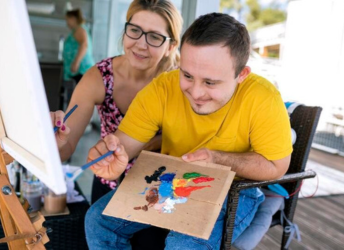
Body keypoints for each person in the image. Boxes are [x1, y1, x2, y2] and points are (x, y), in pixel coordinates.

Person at [84, 12, 293, 249]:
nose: (195, 92)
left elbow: (277, 166)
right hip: (173, 179)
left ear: (241, 75)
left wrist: (218, 159)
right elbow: (124, 143)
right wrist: (112, 154)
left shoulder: (263, 98)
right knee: (97, 221)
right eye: (187, 75)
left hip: (235, 189)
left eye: (210, 82)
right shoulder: (163, 87)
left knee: (182, 243)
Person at [51, 0, 183, 203]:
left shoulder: (182, 83)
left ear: (170, 46)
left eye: (155, 37)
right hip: (109, 181)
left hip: (162, 190)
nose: (140, 44)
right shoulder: (100, 76)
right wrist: (53, 141)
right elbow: (66, 147)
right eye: (134, 30)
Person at [63, 9, 95, 83]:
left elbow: (84, 45)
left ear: (73, 19)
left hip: (82, 69)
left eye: (67, 20)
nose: (67, 23)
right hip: (80, 71)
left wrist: (76, 63)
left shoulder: (79, 29)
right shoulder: (78, 29)